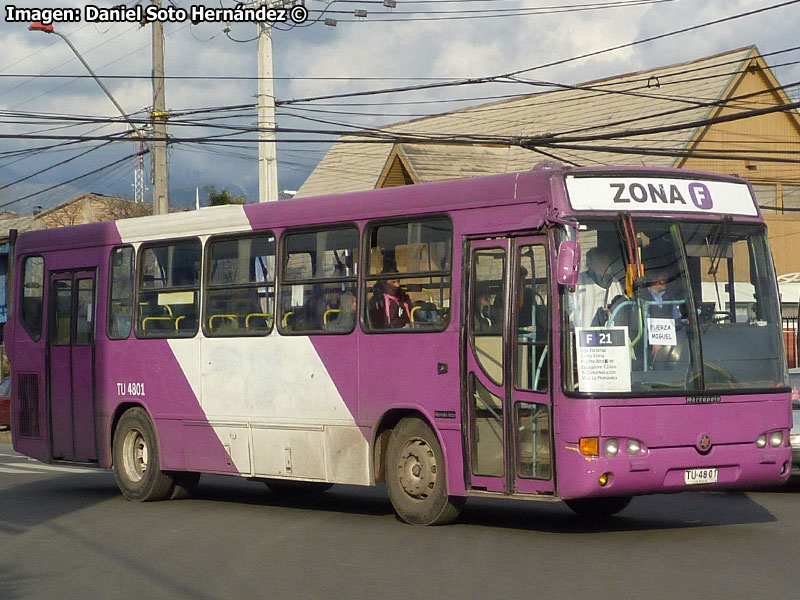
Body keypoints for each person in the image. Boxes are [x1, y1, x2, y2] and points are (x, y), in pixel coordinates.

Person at [570, 247, 624, 329]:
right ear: (590, 264)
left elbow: (623, 309)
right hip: (584, 337)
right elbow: (569, 311)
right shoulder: (579, 281)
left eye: (606, 261)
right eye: (600, 261)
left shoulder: (614, 283)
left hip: (611, 337)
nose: (604, 264)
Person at [367, 260, 413, 329]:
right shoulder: (377, 302)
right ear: (384, 283)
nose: (397, 285)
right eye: (393, 282)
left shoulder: (404, 298)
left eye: (398, 281)